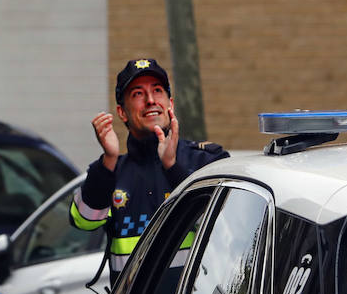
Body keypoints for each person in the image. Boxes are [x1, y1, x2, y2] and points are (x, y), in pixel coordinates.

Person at [69, 57, 228, 281]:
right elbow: (84, 221)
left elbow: (226, 227)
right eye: (138, 94)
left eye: (157, 90)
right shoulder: (111, 171)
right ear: (122, 112)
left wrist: (173, 168)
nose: (151, 100)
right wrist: (109, 160)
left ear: (170, 103)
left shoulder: (206, 160)